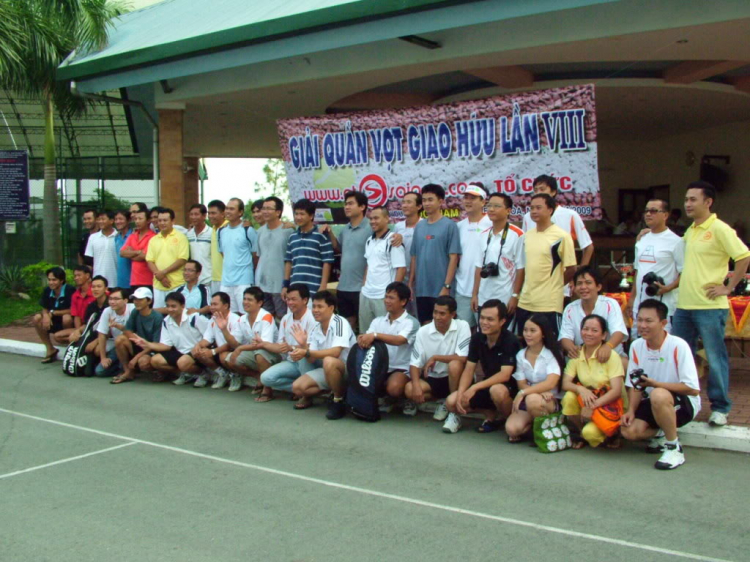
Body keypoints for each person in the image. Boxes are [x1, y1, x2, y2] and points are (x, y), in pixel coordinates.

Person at [670, 182, 750, 426]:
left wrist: (729, 286)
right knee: (679, 357)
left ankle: (720, 408)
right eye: (686, 199)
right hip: (684, 306)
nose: (687, 204)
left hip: (710, 307)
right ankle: (682, 404)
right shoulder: (691, 230)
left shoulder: (719, 228)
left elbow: (743, 256)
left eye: (693, 199)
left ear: (708, 202)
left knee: (715, 359)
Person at [621, 299, 701, 470]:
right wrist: (631, 411)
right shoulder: (636, 346)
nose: (642, 325)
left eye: (648, 321)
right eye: (639, 319)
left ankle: (674, 448)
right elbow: (636, 385)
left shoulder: (678, 346)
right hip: (654, 402)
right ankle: (663, 432)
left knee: (658, 393)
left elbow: (693, 389)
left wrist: (657, 384)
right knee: (628, 431)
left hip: (684, 403)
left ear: (663, 323)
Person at [444, 299, 521, 434]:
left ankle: (507, 418)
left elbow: (505, 375)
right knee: (451, 402)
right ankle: (490, 415)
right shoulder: (477, 338)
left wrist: (475, 387)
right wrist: (462, 393)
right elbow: (469, 369)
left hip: (509, 389)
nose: (484, 322)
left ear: (502, 321)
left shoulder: (510, 340)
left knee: (497, 391)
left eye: (490, 319)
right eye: (482, 318)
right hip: (486, 385)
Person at [515, 193, 576, 341]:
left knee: (551, 345)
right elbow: (522, 268)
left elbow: (572, 269)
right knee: (524, 343)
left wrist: (554, 285)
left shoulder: (561, 236)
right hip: (526, 301)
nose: (534, 211)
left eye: (538, 207)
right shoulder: (526, 236)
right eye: (532, 208)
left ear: (550, 210)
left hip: (549, 304)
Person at [521, 175, 594, 298]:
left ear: (553, 192)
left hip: (561, 288)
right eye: (536, 190)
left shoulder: (570, 215)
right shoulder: (528, 217)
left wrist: (577, 278)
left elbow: (588, 247)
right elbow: (523, 250)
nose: (538, 193)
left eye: (542, 189)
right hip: (532, 288)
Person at [288, 290, 356, 419]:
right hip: (329, 370)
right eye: (313, 306)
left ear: (331, 308)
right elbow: (311, 359)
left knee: (329, 361)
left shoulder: (340, 322)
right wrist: (303, 346)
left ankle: (338, 400)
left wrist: (306, 351)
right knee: (298, 388)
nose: (315, 310)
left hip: (348, 369)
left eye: (320, 307)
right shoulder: (315, 328)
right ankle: (337, 390)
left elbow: (336, 352)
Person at [561, 314, 624, 449]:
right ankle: (579, 433)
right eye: (586, 329)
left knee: (591, 434)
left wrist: (593, 406)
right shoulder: (577, 353)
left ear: (603, 335)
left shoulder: (611, 356)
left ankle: (612, 433)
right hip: (589, 397)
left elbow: (617, 391)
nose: (588, 333)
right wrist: (580, 389)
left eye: (594, 330)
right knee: (569, 397)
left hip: (609, 403)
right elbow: (565, 383)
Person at [406, 296, 471, 425]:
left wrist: (436, 357)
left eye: (442, 313)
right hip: (433, 378)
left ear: (453, 314)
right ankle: (443, 402)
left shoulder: (463, 326)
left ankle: (452, 409)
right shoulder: (423, 331)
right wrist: (416, 386)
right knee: (409, 389)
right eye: (435, 312)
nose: (437, 317)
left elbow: (463, 358)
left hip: (454, 377)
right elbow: (414, 363)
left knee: (455, 365)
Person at [357, 281, 419, 413]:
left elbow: (399, 340)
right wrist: (362, 339)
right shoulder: (377, 321)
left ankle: (404, 399)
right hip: (379, 367)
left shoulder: (411, 322)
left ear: (403, 301)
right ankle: (388, 398)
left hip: (402, 368)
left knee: (394, 387)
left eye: (391, 298)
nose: (386, 301)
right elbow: (366, 339)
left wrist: (374, 335)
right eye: (386, 297)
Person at [626, 198, 684, 335]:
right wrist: (632, 298)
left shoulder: (676, 242)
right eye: (646, 211)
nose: (648, 214)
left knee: (662, 348)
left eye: (653, 211)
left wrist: (668, 288)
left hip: (663, 307)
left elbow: (685, 273)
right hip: (639, 307)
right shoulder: (642, 239)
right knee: (639, 345)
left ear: (665, 215)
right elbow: (638, 271)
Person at [505, 314, 565, 442]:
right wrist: (537, 391)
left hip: (550, 399)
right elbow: (521, 383)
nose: (528, 334)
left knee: (532, 399)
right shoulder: (521, 355)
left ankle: (543, 434)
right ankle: (534, 427)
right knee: (512, 430)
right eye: (525, 330)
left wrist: (525, 392)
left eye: (533, 331)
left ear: (543, 333)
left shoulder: (551, 354)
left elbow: (551, 383)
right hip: (532, 398)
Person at [409, 184, 461, 324]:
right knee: (425, 326)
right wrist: (410, 283)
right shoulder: (419, 226)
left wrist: (447, 286)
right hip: (421, 289)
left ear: (441, 201)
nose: (427, 203)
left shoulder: (450, 226)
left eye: (430, 199)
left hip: (441, 289)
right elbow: (414, 256)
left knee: (443, 326)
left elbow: (454, 257)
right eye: (424, 200)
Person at [320, 191, 372, 331]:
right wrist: (330, 233)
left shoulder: (371, 227)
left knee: (366, 327)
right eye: (345, 204)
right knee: (347, 326)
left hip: (363, 288)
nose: (346, 207)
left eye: (350, 203)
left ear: (362, 207)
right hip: (343, 286)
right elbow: (338, 247)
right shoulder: (345, 229)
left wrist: (365, 284)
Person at [131, 291, 209, 383]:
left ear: (182, 306)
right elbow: (165, 345)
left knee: (182, 362)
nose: (170, 309)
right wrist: (148, 344)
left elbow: (210, 335)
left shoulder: (195, 317)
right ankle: (189, 374)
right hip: (181, 353)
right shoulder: (166, 321)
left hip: (199, 351)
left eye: (173, 306)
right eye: (167, 306)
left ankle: (204, 374)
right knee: (155, 360)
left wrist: (200, 346)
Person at [259, 284, 318, 405]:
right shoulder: (286, 319)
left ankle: (306, 395)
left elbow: (312, 350)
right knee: (266, 378)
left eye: (293, 299)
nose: (290, 302)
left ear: (305, 300)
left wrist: (292, 347)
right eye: (288, 299)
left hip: (308, 361)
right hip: (291, 362)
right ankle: (302, 389)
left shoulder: (313, 318)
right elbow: (281, 346)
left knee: (301, 354)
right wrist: (262, 344)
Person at [559, 266, 628, 365]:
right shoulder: (570, 308)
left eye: (588, 283)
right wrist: (572, 349)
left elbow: (619, 332)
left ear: (598, 287)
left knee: (624, 364)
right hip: (582, 357)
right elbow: (565, 337)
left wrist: (607, 346)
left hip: (609, 355)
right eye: (579, 283)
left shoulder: (610, 303)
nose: (583, 287)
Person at [471, 192, 524, 317]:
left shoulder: (517, 235)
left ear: (508, 210)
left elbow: (521, 269)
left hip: (505, 298)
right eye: (489, 206)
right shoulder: (483, 235)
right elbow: (478, 267)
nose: (491, 209)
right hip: (484, 298)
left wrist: (515, 296)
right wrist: (474, 294)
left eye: (497, 206)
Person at [225, 286, 281, 401]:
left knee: (260, 353)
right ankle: (260, 378)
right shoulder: (242, 319)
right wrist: (223, 330)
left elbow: (264, 344)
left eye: (249, 300)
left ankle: (268, 389)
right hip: (256, 352)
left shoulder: (266, 317)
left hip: (274, 353)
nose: (245, 302)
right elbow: (235, 344)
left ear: (259, 303)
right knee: (230, 359)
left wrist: (240, 349)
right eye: (244, 299)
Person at [179, 292, 242, 388]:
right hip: (220, 351)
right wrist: (198, 346)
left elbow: (233, 344)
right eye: (211, 304)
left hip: (235, 351)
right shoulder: (213, 319)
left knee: (223, 355)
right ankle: (222, 374)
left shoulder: (236, 319)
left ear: (225, 306)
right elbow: (207, 339)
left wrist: (213, 351)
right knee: (200, 352)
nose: (212, 307)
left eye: (215, 304)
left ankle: (236, 375)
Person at [359, 206, 406, 332]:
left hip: (383, 296)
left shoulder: (393, 241)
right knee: (366, 333)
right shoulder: (369, 240)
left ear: (386, 219)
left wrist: (392, 295)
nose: (373, 221)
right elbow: (369, 265)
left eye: (376, 218)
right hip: (366, 295)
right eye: (371, 218)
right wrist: (363, 287)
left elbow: (401, 269)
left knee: (383, 335)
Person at [455, 183, 492, 327]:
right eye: (466, 197)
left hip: (485, 291)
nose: (468, 201)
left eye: (473, 198)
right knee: (464, 332)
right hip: (462, 289)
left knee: (486, 332)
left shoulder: (491, 224)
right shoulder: (459, 226)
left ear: (483, 201)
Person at [283, 198, 334, 300]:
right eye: (296, 214)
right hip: (294, 291)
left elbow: (327, 262)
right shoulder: (292, 237)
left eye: (302, 214)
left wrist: (323, 286)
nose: (298, 217)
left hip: (314, 290)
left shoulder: (321, 235)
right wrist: (285, 285)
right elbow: (289, 262)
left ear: (311, 216)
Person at [110, 287, 163, 384]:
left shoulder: (157, 317)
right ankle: (128, 371)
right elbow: (127, 330)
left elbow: (156, 344)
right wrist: (138, 341)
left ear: (149, 301)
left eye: (140, 299)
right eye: (135, 299)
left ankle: (159, 372)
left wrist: (136, 357)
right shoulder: (135, 311)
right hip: (140, 345)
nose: (136, 302)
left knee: (143, 362)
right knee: (120, 339)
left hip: (153, 348)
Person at [256, 196, 294, 320]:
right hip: (263, 285)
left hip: (280, 285)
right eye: (263, 208)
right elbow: (260, 257)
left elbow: (291, 259)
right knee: (266, 319)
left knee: (282, 318)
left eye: (269, 208)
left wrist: (286, 283)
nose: (265, 211)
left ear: (278, 212)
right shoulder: (260, 231)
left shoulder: (288, 231)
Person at [218, 197, 259, 313]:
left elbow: (255, 255)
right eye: (227, 208)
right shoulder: (221, 232)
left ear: (240, 212)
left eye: (232, 209)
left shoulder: (248, 230)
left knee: (246, 315)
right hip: (226, 282)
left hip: (244, 281)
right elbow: (223, 253)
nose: (228, 211)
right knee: (229, 316)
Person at [146, 207, 190, 309]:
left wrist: (163, 273)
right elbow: (150, 260)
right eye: (160, 220)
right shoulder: (153, 239)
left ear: (172, 221)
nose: (162, 223)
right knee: (158, 313)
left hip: (176, 283)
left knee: (176, 312)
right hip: (158, 284)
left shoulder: (181, 237)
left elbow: (182, 259)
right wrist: (160, 276)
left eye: (165, 220)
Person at [33, 266, 75, 363]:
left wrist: (52, 313)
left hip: (67, 323)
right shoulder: (47, 290)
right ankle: (50, 349)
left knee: (66, 318)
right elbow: (44, 308)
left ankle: (70, 347)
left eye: (54, 280)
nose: (51, 282)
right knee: (37, 318)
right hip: (52, 321)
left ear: (61, 280)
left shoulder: (70, 290)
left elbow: (72, 310)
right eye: (49, 280)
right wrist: (46, 315)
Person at [94, 287, 135, 378]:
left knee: (122, 339)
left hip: (133, 345)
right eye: (110, 299)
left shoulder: (133, 309)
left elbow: (135, 333)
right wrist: (103, 358)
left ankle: (127, 369)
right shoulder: (107, 311)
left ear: (125, 300)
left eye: (116, 299)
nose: (112, 302)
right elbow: (102, 334)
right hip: (118, 346)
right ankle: (123, 368)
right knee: (100, 371)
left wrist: (118, 326)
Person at [393, 191, 423, 318]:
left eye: (409, 202)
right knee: (402, 314)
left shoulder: (424, 225)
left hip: (420, 279)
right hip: (401, 277)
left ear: (419, 206)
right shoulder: (398, 226)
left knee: (418, 313)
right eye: (403, 202)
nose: (404, 205)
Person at [68, 275, 109, 354]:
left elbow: (110, 330)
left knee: (97, 350)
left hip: (109, 336)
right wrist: (77, 331)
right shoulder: (91, 306)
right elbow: (87, 324)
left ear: (106, 289)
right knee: (72, 337)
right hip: (95, 333)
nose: (95, 289)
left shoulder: (110, 305)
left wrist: (96, 341)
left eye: (99, 286)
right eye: (93, 287)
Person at [121, 208, 155, 291]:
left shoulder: (153, 237)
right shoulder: (132, 236)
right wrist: (138, 252)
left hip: (148, 281)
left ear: (148, 221)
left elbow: (144, 256)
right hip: (134, 281)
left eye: (140, 219)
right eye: (135, 219)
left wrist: (131, 253)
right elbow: (122, 253)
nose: (137, 221)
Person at [85, 210, 118, 286]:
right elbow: (89, 260)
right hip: (97, 282)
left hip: (115, 281)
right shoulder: (93, 237)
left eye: (103, 219)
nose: (100, 222)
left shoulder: (118, 236)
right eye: (98, 219)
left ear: (111, 221)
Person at [186, 203, 212, 286]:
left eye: (196, 214)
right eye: (191, 214)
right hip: (194, 280)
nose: (193, 217)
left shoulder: (212, 233)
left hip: (209, 279)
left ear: (204, 216)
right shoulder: (188, 234)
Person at [68, 265, 95, 342]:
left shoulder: (95, 291)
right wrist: (78, 331)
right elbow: (76, 316)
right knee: (58, 336)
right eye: (75, 276)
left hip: (92, 325)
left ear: (87, 276)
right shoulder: (75, 295)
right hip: (81, 327)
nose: (76, 278)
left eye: (79, 275)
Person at [207, 200, 228, 295]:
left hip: (227, 278)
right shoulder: (214, 229)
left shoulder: (228, 228)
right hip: (215, 277)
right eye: (209, 213)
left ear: (223, 214)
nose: (210, 216)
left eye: (213, 213)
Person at [113, 210, 132, 289]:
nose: (118, 221)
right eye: (116, 219)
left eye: (121, 219)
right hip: (120, 281)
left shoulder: (133, 236)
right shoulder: (117, 237)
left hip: (132, 281)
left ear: (128, 220)